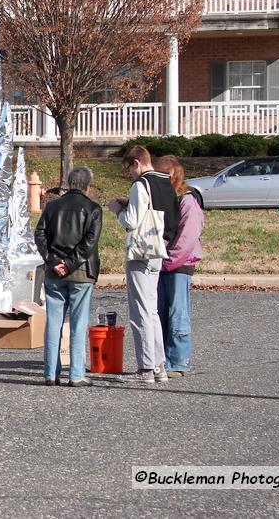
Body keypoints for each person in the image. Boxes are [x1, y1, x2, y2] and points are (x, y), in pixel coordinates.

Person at [108, 145, 178, 384]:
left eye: (128, 169)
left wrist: (118, 210)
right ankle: (159, 366)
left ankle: (145, 368)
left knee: (140, 312)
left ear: (136, 163)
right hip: (159, 249)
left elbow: (132, 220)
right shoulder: (164, 182)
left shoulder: (140, 185)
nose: (128, 174)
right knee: (153, 310)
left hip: (141, 252)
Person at [34, 166, 102, 388]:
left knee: (53, 322)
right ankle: (76, 374)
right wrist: (70, 264)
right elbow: (89, 243)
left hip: (54, 272)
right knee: (78, 324)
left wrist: (54, 261)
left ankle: (50, 374)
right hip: (81, 272)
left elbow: (40, 234)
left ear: (69, 183)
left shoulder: (52, 206)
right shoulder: (93, 208)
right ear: (87, 186)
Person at [153, 155, 203, 378]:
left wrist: (170, 261)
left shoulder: (187, 200)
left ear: (172, 175)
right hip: (164, 262)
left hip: (179, 264)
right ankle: (164, 358)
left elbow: (187, 237)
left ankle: (179, 360)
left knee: (177, 312)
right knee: (162, 311)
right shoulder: (167, 198)